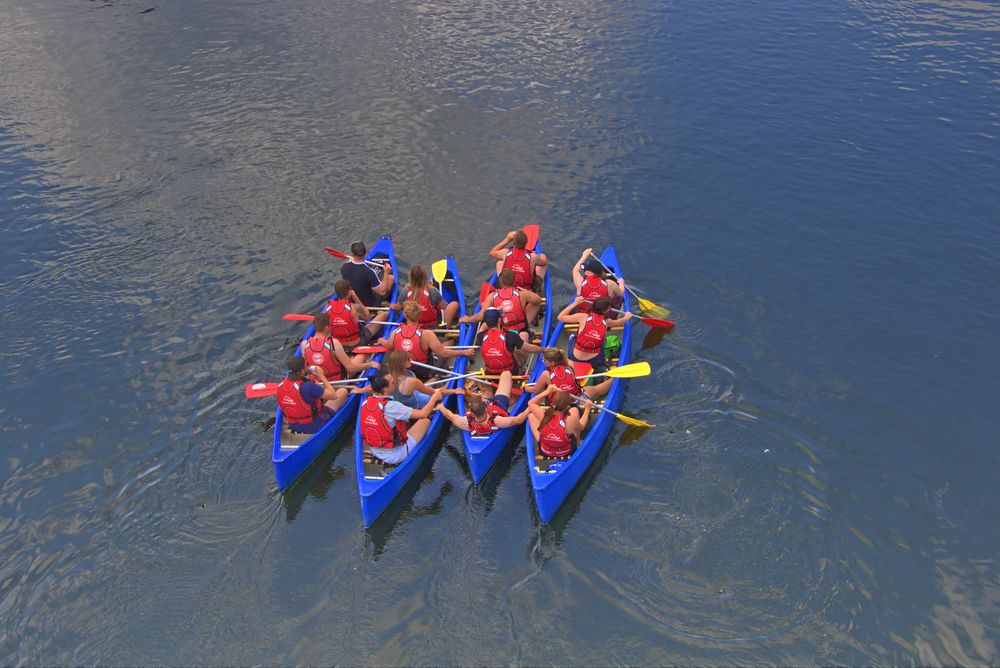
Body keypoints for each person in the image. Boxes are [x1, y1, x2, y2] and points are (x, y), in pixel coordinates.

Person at [377, 301, 474, 381]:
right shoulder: (426, 334)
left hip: (404, 370)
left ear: (405, 316)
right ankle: (453, 341)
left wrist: (381, 340)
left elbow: (389, 345)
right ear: (419, 316)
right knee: (440, 353)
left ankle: (452, 340)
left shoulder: (395, 332)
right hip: (424, 370)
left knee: (438, 348)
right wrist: (464, 352)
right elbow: (444, 353)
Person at [359, 374, 443, 465]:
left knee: (403, 421)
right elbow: (423, 414)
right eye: (393, 383)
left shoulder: (366, 402)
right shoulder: (392, 406)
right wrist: (434, 398)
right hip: (395, 455)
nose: (396, 383)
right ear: (384, 389)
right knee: (425, 421)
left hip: (374, 450)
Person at [352, 350, 461, 408]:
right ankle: (446, 383)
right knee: (440, 389)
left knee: (432, 381)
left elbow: (372, 387)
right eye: (408, 359)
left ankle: (436, 379)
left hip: (403, 402)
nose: (411, 360)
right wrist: (453, 391)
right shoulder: (412, 382)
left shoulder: (389, 377)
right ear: (402, 363)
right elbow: (432, 393)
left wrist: (359, 390)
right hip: (417, 404)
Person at [437, 370, 529, 436]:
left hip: (487, 411)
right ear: (486, 407)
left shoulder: (464, 422)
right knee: (506, 374)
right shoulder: (498, 421)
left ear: (471, 412)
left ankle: (489, 386)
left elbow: (450, 415)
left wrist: (441, 407)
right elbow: (519, 420)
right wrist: (530, 408)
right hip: (499, 405)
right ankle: (491, 386)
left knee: (487, 393)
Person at [557, 295, 631, 373]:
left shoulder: (582, 317)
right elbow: (619, 322)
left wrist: (575, 303)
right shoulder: (607, 322)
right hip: (594, 360)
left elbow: (560, 317)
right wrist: (626, 317)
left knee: (573, 337)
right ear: (605, 311)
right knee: (602, 342)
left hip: (575, 357)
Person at [277, 356, 349, 435]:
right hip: (315, 425)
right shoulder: (308, 386)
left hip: (294, 425)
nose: (308, 367)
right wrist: (322, 376)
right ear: (302, 371)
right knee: (343, 391)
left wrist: (315, 387)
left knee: (316, 396)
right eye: (306, 366)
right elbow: (333, 396)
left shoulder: (280, 386)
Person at [299, 313, 380, 381]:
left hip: (317, 382)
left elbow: (307, 367)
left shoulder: (304, 344)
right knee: (363, 354)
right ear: (327, 327)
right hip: (338, 381)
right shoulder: (334, 343)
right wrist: (370, 364)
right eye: (330, 325)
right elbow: (351, 368)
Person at [462, 269, 543, 334]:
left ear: (500, 281)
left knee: (487, 310)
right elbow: (538, 300)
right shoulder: (522, 294)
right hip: (519, 328)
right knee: (536, 304)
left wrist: (468, 319)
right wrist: (525, 291)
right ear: (514, 280)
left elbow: (480, 316)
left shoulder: (492, 296)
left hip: (501, 328)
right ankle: (527, 325)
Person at [523, 347, 612, 400]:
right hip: (578, 398)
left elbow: (536, 390)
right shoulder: (570, 364)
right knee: (596, 389)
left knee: (545, 392)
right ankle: (613, 379)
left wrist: (524, 387)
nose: (543, 361)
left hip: (561, 405)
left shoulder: (545, 374)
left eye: (544, 360)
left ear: (552, 363)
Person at [527, 386, 593, 458]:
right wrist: (587, 408)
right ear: (567, 406)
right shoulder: (570, 419)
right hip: (566, 452)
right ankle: (577, 445)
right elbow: (582, 427)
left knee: (531, 416)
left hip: (545, 451)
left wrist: (547, 391)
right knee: (574, 411)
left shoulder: (542, 414)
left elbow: (530, 403)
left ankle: (542, 440)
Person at [478, 308, 543, 375]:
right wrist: (544, 350)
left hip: (490, 373)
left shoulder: (480, 336)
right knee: (524, 335)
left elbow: (482, 328)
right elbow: (530, 348)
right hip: (511, 372)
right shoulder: (510, 335)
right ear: (499, 320)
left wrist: (490, 318)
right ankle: (522, 368)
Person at [391, 265, 459, 328]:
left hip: (414, 326)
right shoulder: (432, 290)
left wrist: (392, 306)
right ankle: (447, 328)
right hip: (433, 327)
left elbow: (398, 308)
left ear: (410, 278)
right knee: (454, 304)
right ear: (425, 277)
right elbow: (443, 307)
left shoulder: (405, 291)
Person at [326, 279, 387, 349]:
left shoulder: (328, 308)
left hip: (338, 343)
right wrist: (356, 298)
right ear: (349, 293)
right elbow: (367, 317)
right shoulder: (355, 307)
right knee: (384, 315)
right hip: (356, 342)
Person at [340, 241, 394, 307]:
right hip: (370, 303)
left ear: (352, 253)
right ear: (365, 253)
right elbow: (382, 292)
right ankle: (384, 301)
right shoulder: (369, 272)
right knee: (391, 278)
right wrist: (386, 272)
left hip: (354, 299)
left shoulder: (344, 267)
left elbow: (353, 270)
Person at [572, 248, 625, 312]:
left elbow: (575, 270)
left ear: (591, 273)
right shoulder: (610, 283)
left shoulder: (580, 283)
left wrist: (584, 255)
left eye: (586, 269)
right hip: (602, 314)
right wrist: (621, 282)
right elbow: (621, 293)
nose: (584, 270)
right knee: (614, 296)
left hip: (583, 314)